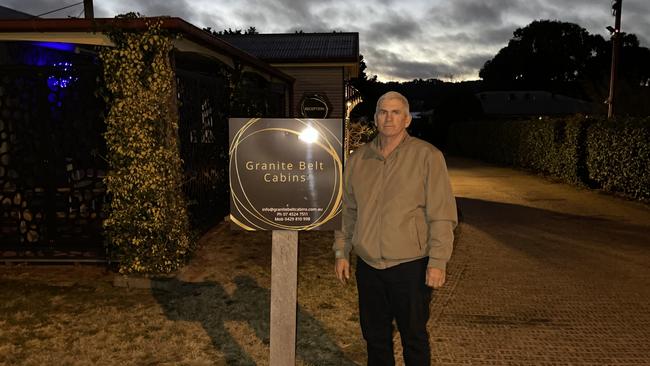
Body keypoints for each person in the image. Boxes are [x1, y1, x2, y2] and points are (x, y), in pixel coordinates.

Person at [333, 91, 457, 366]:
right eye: (382, 112)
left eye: (396, 112)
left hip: (410, 266)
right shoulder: (358, 160)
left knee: (414, 337)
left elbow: (442, 214)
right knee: (375, 337)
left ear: (407, 119)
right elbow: (348, 210)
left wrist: (438, 262)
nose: (388, 118)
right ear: (375, 118)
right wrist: (342, 251)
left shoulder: (428, 156)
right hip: (369, 267)